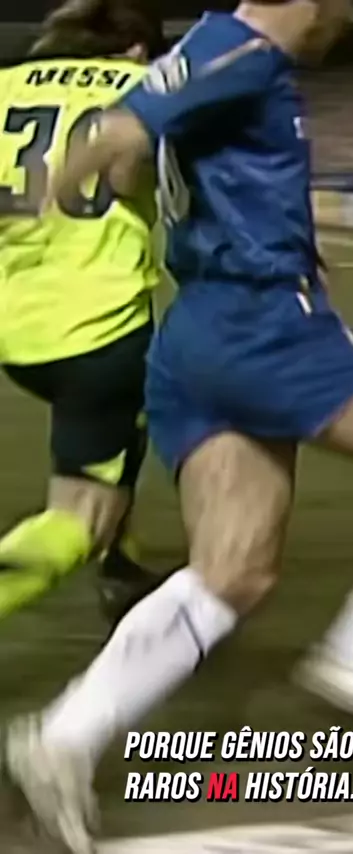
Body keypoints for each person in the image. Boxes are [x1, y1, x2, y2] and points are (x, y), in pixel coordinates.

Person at [6, 0, 353, 850]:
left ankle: (61, 739)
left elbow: (144, 142)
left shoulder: (215, 54)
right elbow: (116, 134)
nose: (346, 20)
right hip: (262, 325)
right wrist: (73, 183)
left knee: (232, 573)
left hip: (194, 336)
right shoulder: (241, 48)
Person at [0, 0, 166, 628]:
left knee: (127, 429)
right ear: (135, 48)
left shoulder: (5, 85)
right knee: (77, 514)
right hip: (101, 328)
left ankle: (122, 566)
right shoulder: (145, 85)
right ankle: (100, 548)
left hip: (17, 325)